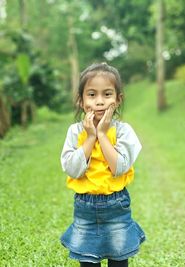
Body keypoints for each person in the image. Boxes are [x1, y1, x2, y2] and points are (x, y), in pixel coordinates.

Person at [60, 62, 145, 267]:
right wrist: (90, 138)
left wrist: (102, 135)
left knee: (118, 260)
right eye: (92, 95)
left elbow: (119, 168)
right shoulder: (75, 132)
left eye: (107, 94)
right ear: (81, 101)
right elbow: (72, 169)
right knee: (87, 260)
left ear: (118, 99)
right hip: (84, 207)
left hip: (116, 206)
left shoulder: (124, 131)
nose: (99, 102)